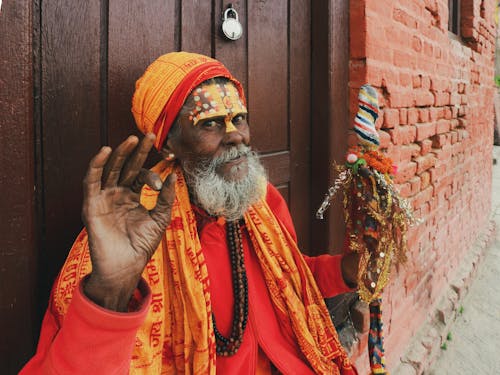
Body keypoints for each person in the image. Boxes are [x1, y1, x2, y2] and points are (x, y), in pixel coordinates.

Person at [21, 52, 360, 374]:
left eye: (239, 118)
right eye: (211, 123)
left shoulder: (262, 201)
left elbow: (288, 283)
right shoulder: (132, 229)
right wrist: (109, 292)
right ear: (169, 144)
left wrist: (344, 271)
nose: (236, 137)